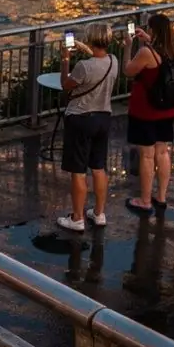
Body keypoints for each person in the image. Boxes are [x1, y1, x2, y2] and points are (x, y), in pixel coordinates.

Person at [56, 23, 119, 233]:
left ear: (90, 39)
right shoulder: (113, 61)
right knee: (98, 167)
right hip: (103, 118)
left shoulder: (84, 66)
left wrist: (65, 59)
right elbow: (98, 61)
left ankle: (77, 218)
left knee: (78, 171)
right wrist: (86, 49)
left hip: (81, 119)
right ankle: (99, 214)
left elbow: (65, 84)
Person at [123, 14, 174, 215]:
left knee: (147, 155)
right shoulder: (173, 49)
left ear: (153, 30)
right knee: (162, 152)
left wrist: (128, 47)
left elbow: (128, 71)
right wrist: (148, 40)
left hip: (146, 110)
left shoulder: (146, 53)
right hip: (167, 109)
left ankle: (145, 200)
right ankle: (161, 197)